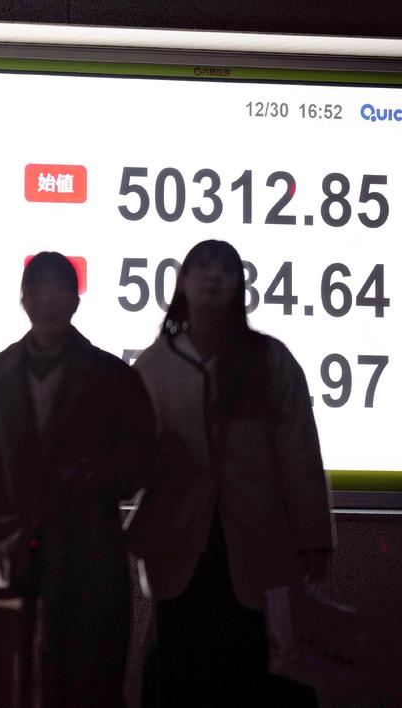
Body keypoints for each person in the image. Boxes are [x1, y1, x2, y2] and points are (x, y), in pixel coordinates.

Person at [0, 252, 156, 708]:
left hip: (91, 556)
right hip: (10, 560)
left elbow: (139, 466)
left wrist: (95, 475)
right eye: (39, 288)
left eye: (60, 288)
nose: (50, 299)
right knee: (13, 687)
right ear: (24, 299)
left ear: (76, 300)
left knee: (90, 686)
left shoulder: (114, 378)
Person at [129, 240, 333, 707]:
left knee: (258, 668)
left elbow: (300, 453)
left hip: (260, 537)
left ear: (241, 283)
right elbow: (132, 455)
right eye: (202, 266)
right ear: (183, 282)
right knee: (181, 669)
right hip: (180, 541)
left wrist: (314, 538)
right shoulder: (155, 364)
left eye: (225, 268)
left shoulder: (271, 359)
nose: (213, 276)